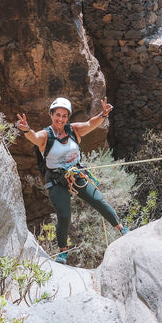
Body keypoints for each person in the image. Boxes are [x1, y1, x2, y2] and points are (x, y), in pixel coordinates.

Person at [17, 97, 129, 264]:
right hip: (56, 179)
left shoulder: (73, 131)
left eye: (64, 115)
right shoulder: (45, 136)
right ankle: (63, 251)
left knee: (98, 200)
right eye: (57, 115)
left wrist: (103, 114)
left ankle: (122, 229)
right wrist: (26, 130)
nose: (60, 119)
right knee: (64, 214)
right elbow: (33, 137)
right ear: (51, 114)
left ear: (67, 117)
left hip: (76, 175)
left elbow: (91, 124)